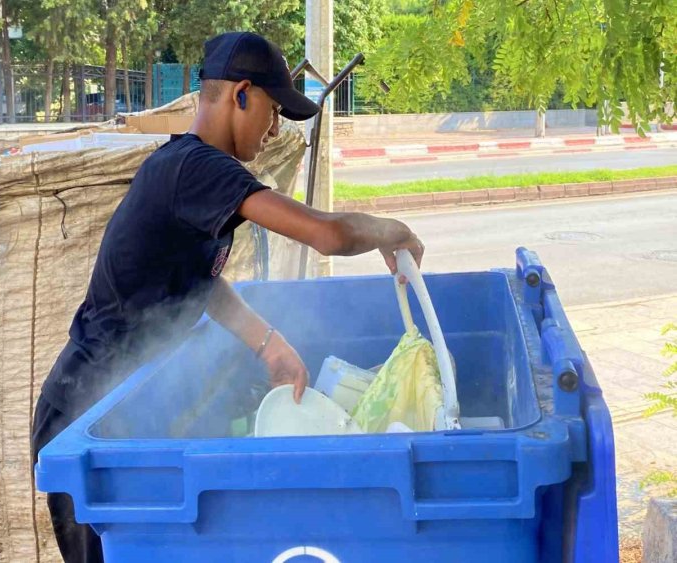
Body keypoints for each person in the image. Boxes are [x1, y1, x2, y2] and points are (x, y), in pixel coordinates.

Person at [32, 31, 425, 563]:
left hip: (133, 404)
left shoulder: (196, 173)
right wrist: (393, 230)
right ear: (242, 94)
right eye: (273, 109)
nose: (275, 128)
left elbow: (198, 281)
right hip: (87, 411)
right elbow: (327, 234)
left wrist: (268, 342)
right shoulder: (195, 167)